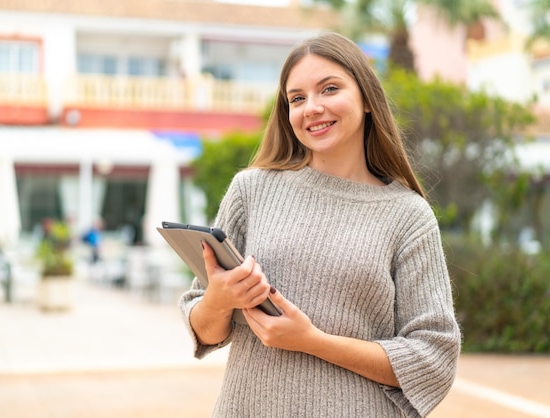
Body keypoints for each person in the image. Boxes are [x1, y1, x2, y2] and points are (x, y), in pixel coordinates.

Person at [178, 32, 461, 417]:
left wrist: (313, 341)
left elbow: (433, 356)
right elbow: (204, 331)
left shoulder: (407, 216)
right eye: (297, 98)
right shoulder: (251, 190)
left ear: (366, 100)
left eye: (329, 89)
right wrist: (219, 299)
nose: (311, 107)